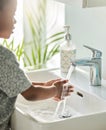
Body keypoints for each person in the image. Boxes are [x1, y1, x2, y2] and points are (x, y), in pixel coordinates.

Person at [0, 0, 74, 130]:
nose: (15, 21)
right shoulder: (3, 57)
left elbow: (9, 83)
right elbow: (31, 94)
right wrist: (56, 90)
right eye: (12, 14)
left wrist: (43, 85)